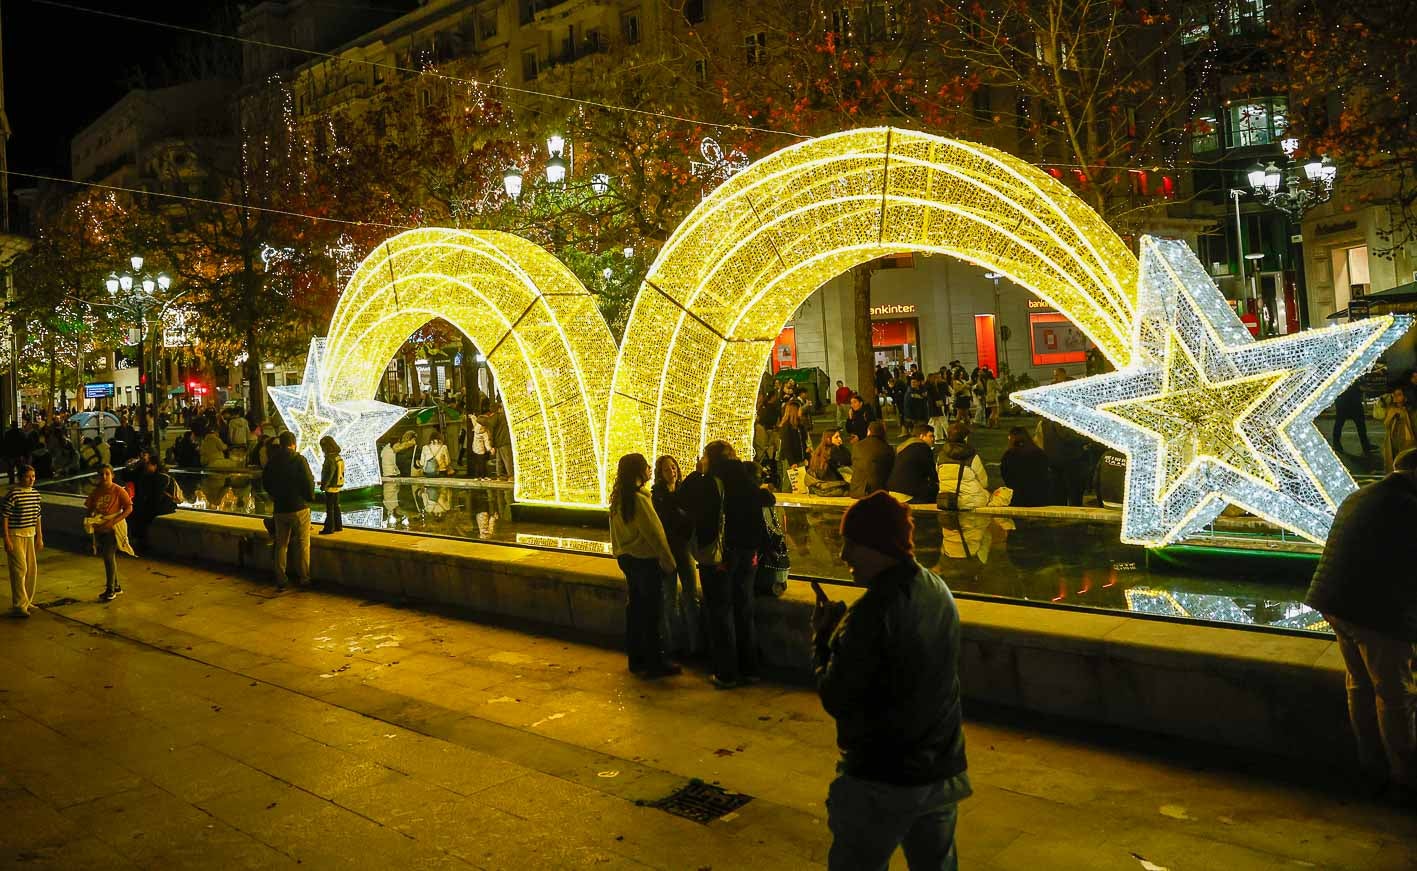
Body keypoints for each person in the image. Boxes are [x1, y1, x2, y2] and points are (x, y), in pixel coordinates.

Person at [813, 492, 970, 870]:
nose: (843, 556)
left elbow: (836, 695)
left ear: (876, 545)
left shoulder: (870, 614)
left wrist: (823, 640)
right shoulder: (937, 589)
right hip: (941, 768)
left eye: (850, 544)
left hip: (883, 778)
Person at [1304, 447, 1417, 805]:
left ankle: (1371, 766)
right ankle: (1405, 778)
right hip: (1373, 612)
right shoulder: (1408, 506)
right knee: (1396, 695)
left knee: (1360, 685)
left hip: (1333, 602)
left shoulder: (1363, 494)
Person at [681, 440, 767, 689]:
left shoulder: (709, 482)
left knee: (720, 612)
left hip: (720, 557)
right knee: (744, 610)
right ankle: (750, 669)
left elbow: (683, 500)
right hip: (747, 554)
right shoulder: (747, 478)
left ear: (710, 458)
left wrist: (698, 472)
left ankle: (726, 673)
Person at [608, 453, 680, 678]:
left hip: (628, 559)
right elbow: (655, 533)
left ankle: (637, 659)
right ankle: (655, 662)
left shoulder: (619, 498)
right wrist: (668, 560)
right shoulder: (639, 499)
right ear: (638, 471)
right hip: (645, 561)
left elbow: (614, 533)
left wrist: (619, 553)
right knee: (653, 613)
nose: (650, 469)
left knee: (636, 610)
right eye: (646, 466)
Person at [652, 454, 701, 657]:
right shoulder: (657, 496)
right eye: (666, 469)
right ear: (660, 474)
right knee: (669, 599)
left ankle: (695, 644)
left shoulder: (683, 492)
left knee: (691, 596)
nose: (672, 472)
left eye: (674, 467)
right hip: (667, 551)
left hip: (685, 549)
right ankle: (673, 645)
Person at [263, 432, 314, 591]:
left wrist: (275, 496)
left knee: (281, 544)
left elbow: (265, 482)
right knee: (303, 543)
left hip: (280, 508)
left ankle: (281, 577)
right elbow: (308, 480)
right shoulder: (299, 460)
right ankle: (304, 577)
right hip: (299, 507)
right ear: (294, 443)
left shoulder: (272, 461)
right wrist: (308, 497)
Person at [83, 465, 134, 602]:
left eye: (107, 474)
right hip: (100, 528)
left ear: (112, 475)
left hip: (113, 528)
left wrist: (114, 521)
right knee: (107, 557)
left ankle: (110, 589)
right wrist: (91, 519)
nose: (104, 477)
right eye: (101, 474)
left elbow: (129, 508)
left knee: (108, 556)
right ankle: (116, 586)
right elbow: (90, 507)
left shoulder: (118, 490)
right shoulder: (96, 491)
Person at [2, 464, 43, 616]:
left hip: (30, 534)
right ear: (21, 477)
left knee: (31, 569)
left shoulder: (36, 494)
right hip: (15, 534)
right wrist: (6, 538)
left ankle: (27, 601)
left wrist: (40, 536)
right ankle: (19, 605)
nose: (31, 479)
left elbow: (38, 517)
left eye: (33, 476)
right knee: (20, 569)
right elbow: (5, 517)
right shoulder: (13, 494)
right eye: (27, 476)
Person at [129, 454, 180, 550]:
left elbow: (156, 497)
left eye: (148, 463)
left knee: (142, 515)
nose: (146, 465)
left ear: (155, 465)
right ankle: (139, 540)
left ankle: (141, 541)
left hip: (165, 505)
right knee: (136, 512)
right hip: (159, 504)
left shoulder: (161, 478)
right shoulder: (148, 476)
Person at [936, 423, 990, 511]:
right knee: (987, 494)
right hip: (971, 500)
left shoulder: (941, 455)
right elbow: (984, 482)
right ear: (965, 438)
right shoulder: (972, 456)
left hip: (947, 499)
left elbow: (938, 476)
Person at [1000, 426, 1053, 508]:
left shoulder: (1009, 455)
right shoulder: (1039, 453)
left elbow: (1006, 475)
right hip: (1040, 497)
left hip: (1018, 498)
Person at [886, 424, 939, 504]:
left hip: (893, 491)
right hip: (907, 494)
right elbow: (932, 473)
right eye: (930, 436)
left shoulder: (903, 447)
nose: (933, 439)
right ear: (921, 436)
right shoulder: (923, 448)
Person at [848, 421, 894, 499]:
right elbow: (890, 470)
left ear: (868, 431)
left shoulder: (857, 446)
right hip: (877, 491)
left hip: (856, 490)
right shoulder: (887, 448)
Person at [1330, 381, 1374, 455]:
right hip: (1349, 401)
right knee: (1358, 425)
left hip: (1346, 401)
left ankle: (1336, 444)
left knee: (1340, 423)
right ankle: (1365, 446)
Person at [1383, 388, 1417, 473]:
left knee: (1406, 463)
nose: (1396, 397)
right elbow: (1385, 422)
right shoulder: (1391, 409)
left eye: (1399, 394)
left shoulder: (1412, 411)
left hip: (1407, 441)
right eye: (1394, 395)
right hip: (1393, 441)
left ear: (1405, 397)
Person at [318, 435, 345, 535]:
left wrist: (323, 485)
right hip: (338, 485)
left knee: (330, 508)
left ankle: (329, 528)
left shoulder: (329, 458)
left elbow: (329, 473)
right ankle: (338, 526)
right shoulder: (338, 456)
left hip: (330, 487)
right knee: (336, 506)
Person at [778, 401, 810, 470]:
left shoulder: (799, 426)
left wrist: (806, 456)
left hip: (800, 459)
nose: (801, 411)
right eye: (799, 409)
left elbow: (803, 443)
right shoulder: (787, 427)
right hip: (790, 461)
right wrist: (792, 462)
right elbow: (786, 446)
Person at [490, 404, 514, 479]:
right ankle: (510, 475)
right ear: (499, 409)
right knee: (507, 459)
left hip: (498, 442)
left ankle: (499, 475)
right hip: (505, 441)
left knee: (499, 460)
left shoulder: (494, 418)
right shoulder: (504, 417)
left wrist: (492, 444)